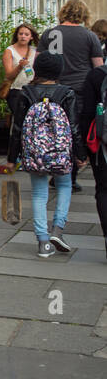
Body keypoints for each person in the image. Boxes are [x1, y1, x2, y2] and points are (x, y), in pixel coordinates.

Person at [8, 54, 80, 258]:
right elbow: (73, 127)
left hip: (35, 153)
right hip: (60, 153)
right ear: (59, 71)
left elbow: (18, 128)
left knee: (39, 194)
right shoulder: (67, 93)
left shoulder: (27, 93)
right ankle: (58, 230)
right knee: (64, 186)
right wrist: (80, 154)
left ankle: (42, 242)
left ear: (37, 70)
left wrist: (13, 157)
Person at [36, 0, 104, 193]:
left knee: (52, 131)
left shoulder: (49, 34)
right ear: (83, 14)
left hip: (53, 90)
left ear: (63, 12)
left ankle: (53, 172)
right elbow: (99, 68)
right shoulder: (90, 36)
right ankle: (70, 176)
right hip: (81, 91)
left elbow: (38, 63)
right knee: (74, 132)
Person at [83, 61, 107, 257]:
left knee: (103, 189)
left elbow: (87, 112)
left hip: (101, 145)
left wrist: (82, 149)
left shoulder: (96, 75)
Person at [1, 23, 38, 99]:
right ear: (17, 35)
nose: (23, 36)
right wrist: (20, 66)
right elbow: (8, 75)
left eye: (26, 34)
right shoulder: (10, 51)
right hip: (16, 90)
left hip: (32, 89)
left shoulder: (35, 50)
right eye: (20, 34)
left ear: (31, 37)